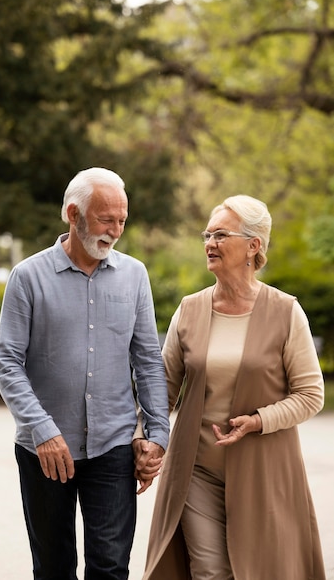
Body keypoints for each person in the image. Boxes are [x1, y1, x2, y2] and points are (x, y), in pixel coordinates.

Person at [0, 167, 169, 580]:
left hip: (113, 446)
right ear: (73, 215)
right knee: (53, 569)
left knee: (110, 568)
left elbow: (147, 359)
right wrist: (42, 429)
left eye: (122, 220)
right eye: (107, 219)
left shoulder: (134, 275)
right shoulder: (28, 277)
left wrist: (158, 434)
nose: (116, 230)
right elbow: (6, 363)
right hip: (44, 451)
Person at [142, 195, 326, 580]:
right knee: (211, 571)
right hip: (196, 470)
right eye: (207, 235)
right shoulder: (189, 309)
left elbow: (311, 395)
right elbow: (162, 387)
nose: (210, 243)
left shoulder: (286, 311)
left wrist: (258, 420)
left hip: (264, 470)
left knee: (260, 571)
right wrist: (147, 440)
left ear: (253, 245)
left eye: (221, 235)